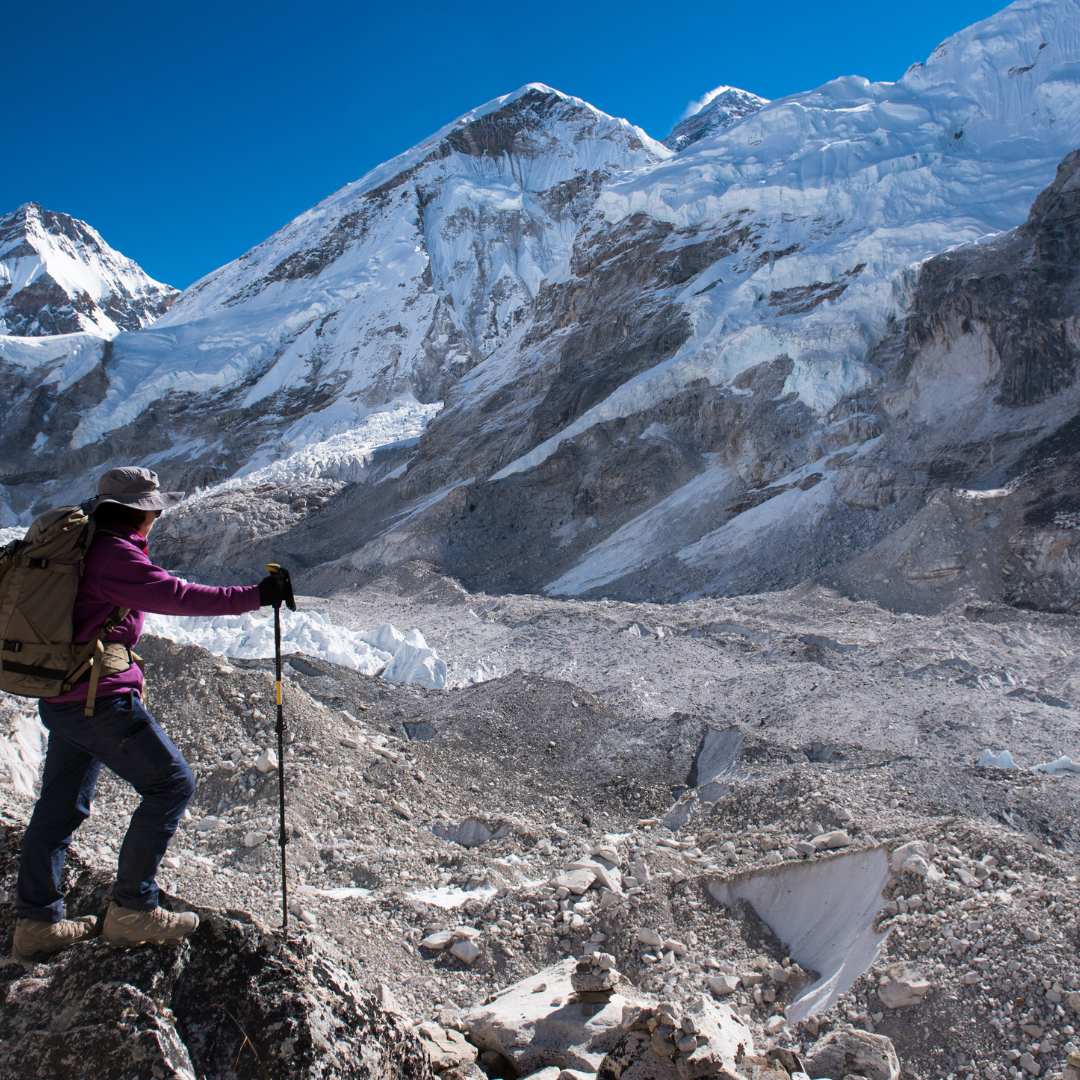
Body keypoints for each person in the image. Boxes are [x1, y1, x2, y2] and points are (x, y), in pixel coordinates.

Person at [12, 466, 289, 964]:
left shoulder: (85, 546)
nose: (157, 518)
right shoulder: (112, 556)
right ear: (141, 514)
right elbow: (176, 596)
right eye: (154, 510)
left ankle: (36, 924)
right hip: (99, 702)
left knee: (58, 812)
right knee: (172, 783)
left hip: (63, 699)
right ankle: (133, 907)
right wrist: (256, 596)